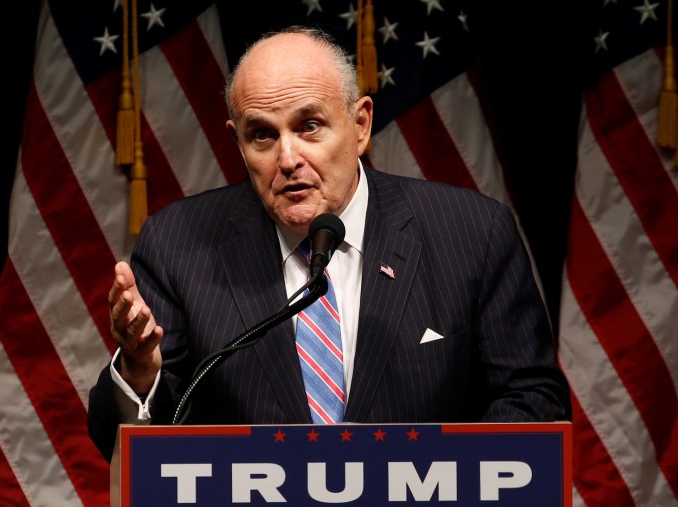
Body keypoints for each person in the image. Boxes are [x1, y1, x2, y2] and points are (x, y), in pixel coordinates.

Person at [87, 25, 571, 461]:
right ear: (237, 142)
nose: (288, 157)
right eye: (262, 135)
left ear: (360, 125)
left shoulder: (471, 233)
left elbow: (533, 401)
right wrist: (140, 373)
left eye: (309, 126)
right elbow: (123, 443)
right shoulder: (178, 245)